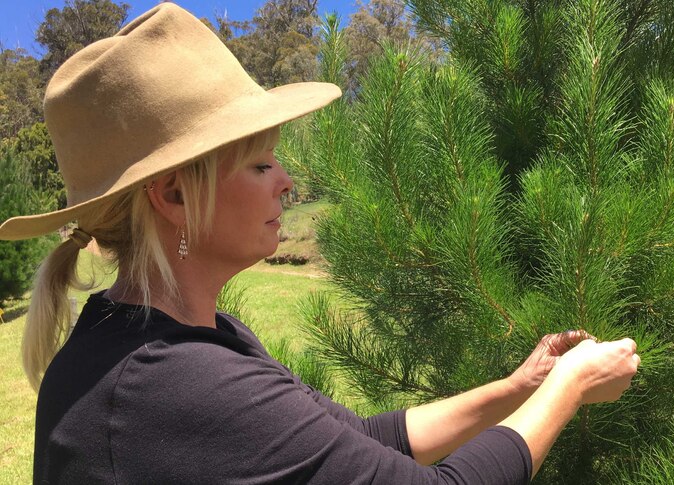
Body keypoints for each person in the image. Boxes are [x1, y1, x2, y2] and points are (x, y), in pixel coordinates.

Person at [0, 3, 640, 484]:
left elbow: (364, 439)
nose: (287, 182)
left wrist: (519, 385)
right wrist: (572, 388)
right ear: (172, 198)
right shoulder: (174, 384)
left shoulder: (180, 337)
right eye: (260, 165)